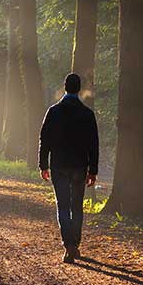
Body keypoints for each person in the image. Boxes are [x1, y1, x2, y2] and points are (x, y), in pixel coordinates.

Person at [38, 73, 98, 263]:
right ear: (79, 89)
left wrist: (43, 165)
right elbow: (93, 143)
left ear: (65, 87)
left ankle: (69, 245)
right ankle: (75, 243)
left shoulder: (54, 111)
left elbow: (44, 139)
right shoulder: (87, 114)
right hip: (80, 165)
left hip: (59, 165)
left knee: (62, 205)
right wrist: (93, 170)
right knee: (76, 206)